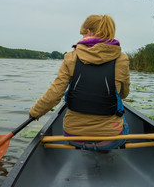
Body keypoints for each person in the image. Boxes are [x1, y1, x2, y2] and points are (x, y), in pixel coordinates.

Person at [29, 14, 130, 150]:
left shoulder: (71, 57)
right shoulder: (122, 59)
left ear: (88, 32)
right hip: (110, 140)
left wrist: (35, 112)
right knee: (122, 116)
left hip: (74, 136)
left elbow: (54, 94)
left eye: (83, 34)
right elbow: (123, 94)